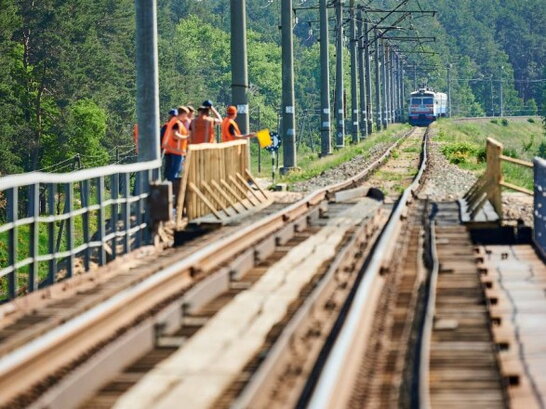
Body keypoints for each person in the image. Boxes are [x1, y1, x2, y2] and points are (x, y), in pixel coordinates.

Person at [162, 106, 189, 182]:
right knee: (174, 172)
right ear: (183, 114)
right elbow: (175, 135)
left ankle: (167, 189)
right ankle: (171, 190)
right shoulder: (177, 123)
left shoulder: (173, 121)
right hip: (176, 151)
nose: (186, 117)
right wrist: (186, 137)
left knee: (169, 172)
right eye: (186, 115)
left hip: (170, 149)